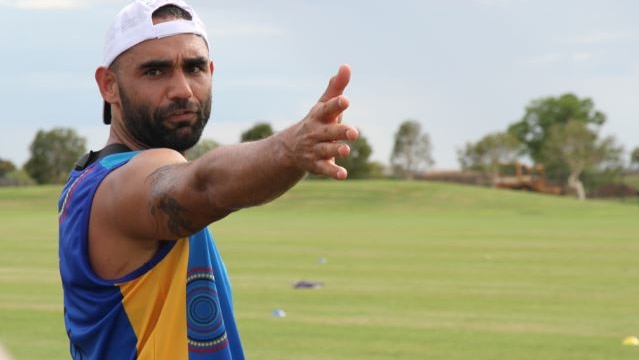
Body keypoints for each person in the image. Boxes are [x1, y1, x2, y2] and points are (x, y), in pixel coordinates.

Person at [57, 0, 358, 359]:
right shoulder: (117, 186)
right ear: (109, 85)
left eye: (195, 68)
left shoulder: (91, 183)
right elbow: (203, 186)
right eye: (155, 72)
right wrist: (289, 149)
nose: (182, 89)